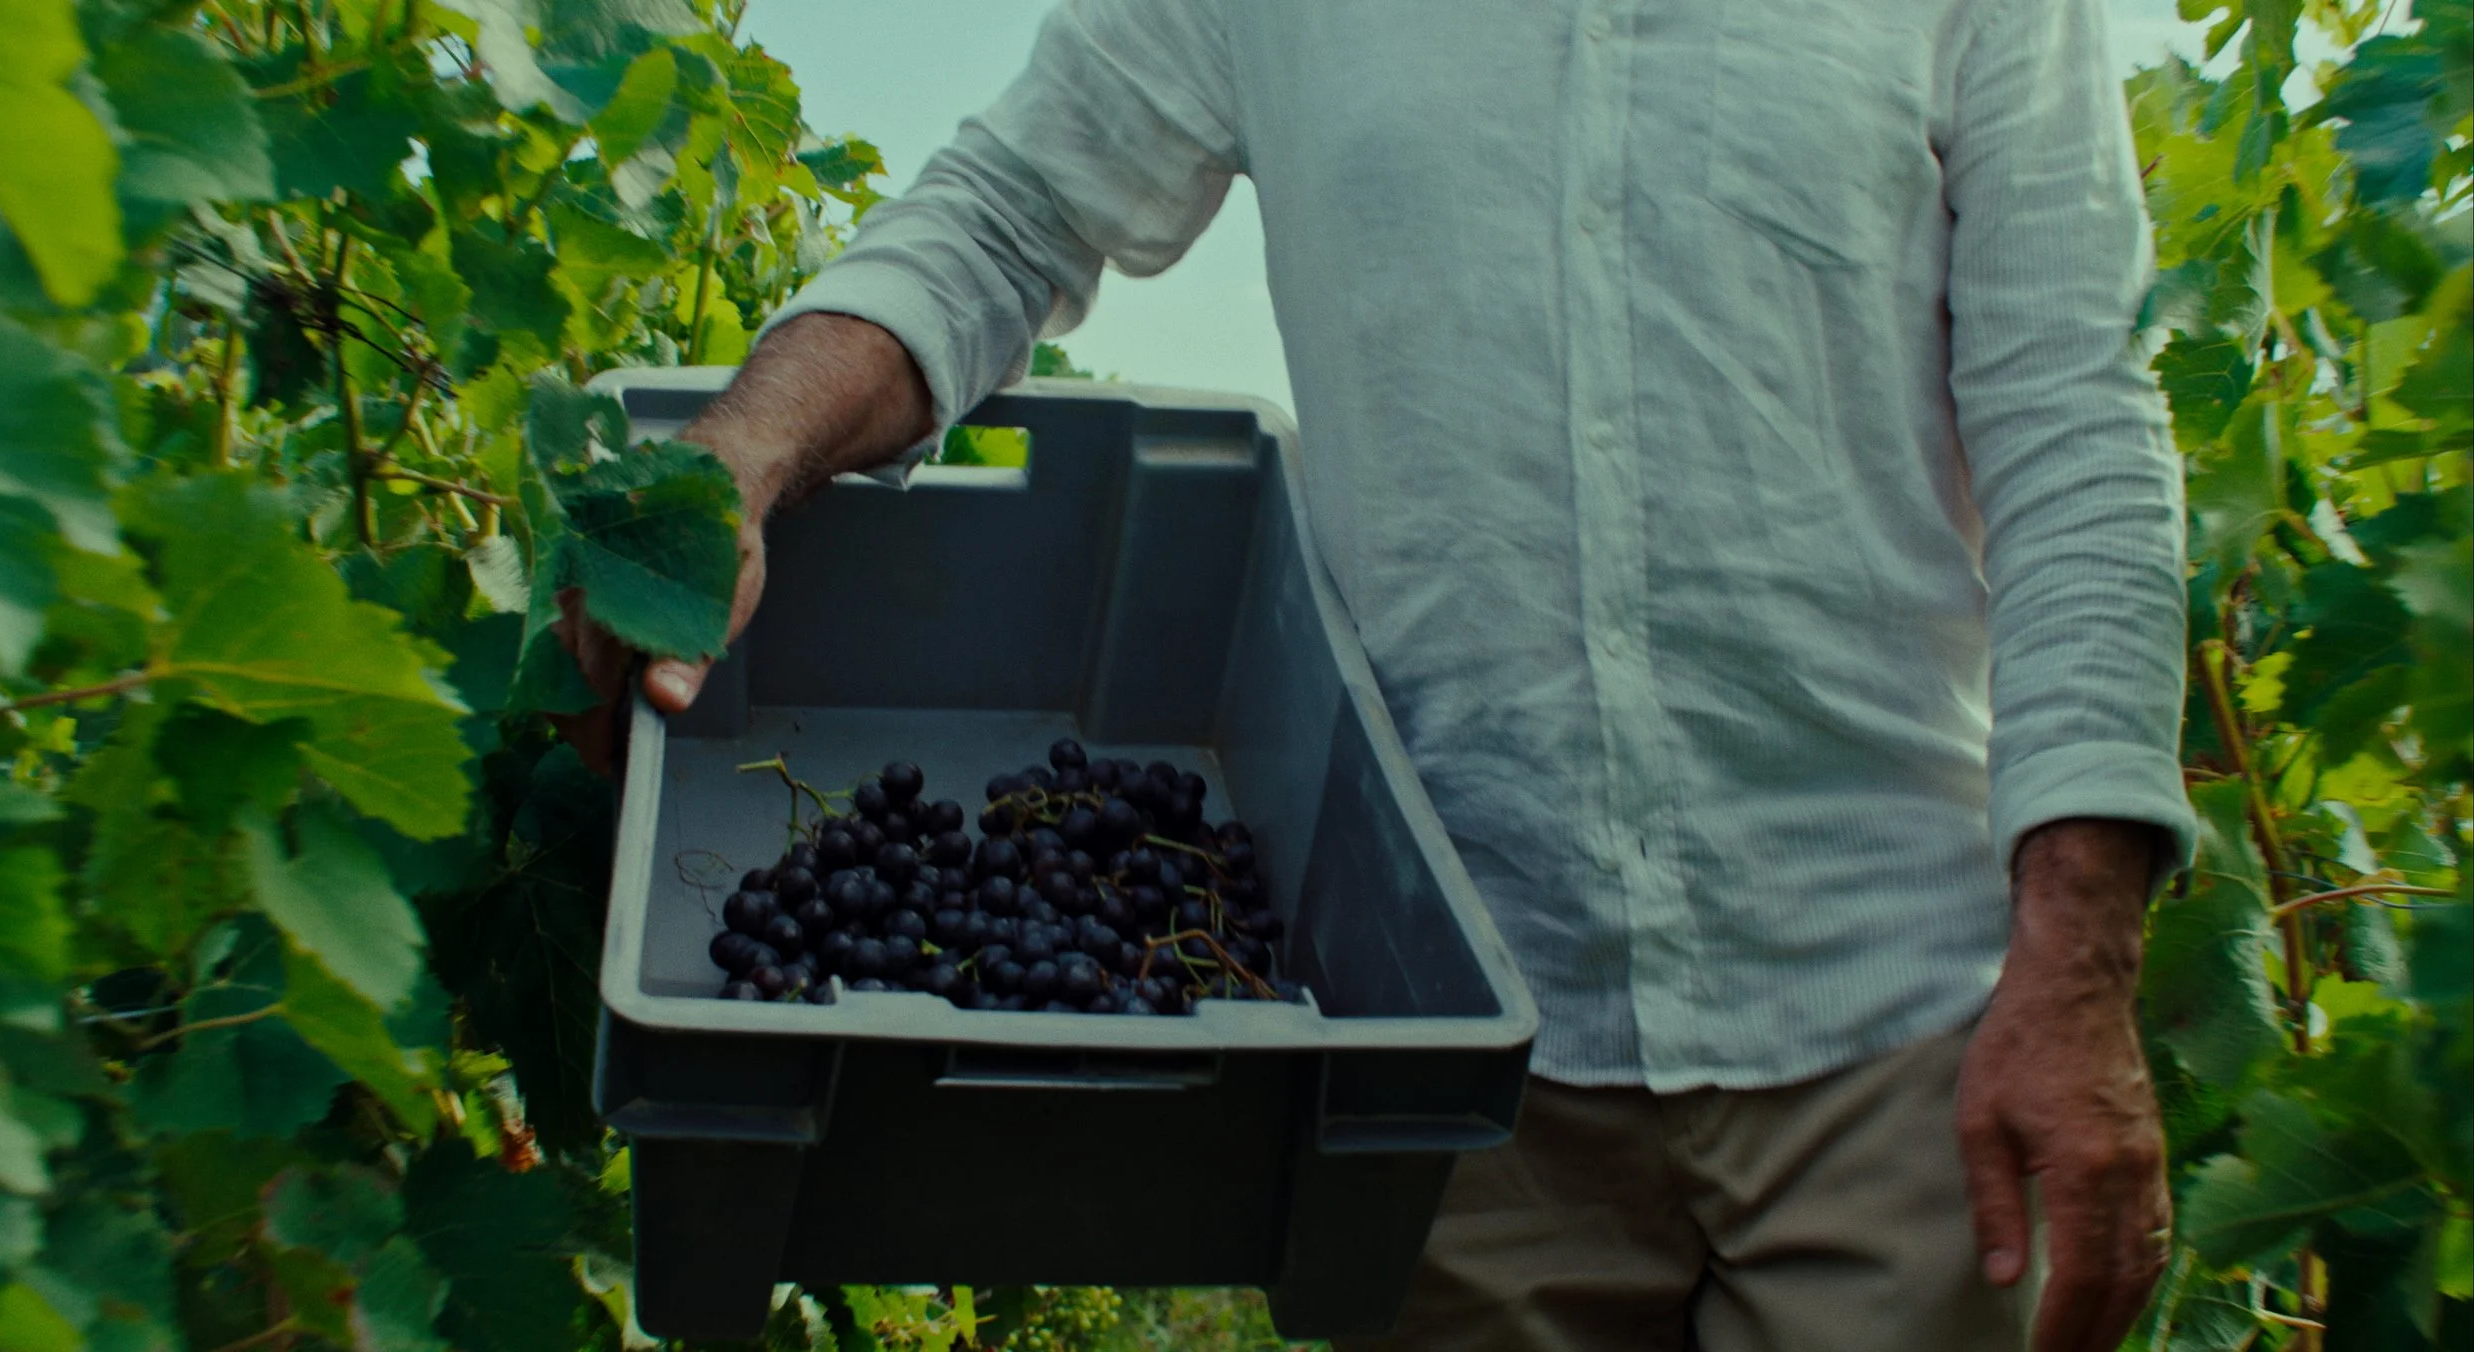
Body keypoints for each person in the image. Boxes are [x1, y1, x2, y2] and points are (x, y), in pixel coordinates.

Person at [559, 0, 2198, 1346]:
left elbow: (2080, 418)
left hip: (1904, 1038)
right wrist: (744, 447)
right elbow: (1007, 211)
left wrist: (2075, 967)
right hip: (1462, 1065)